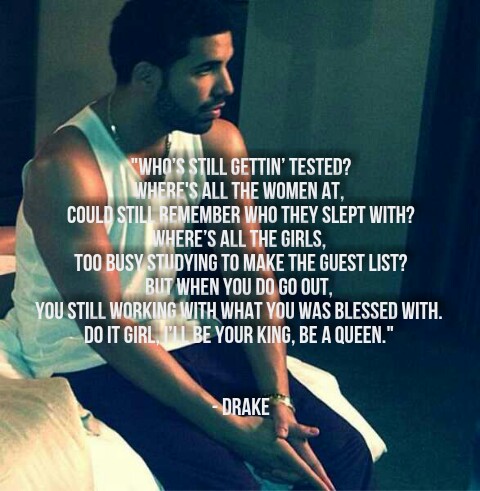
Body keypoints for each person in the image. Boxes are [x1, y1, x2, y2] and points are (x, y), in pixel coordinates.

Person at [8, 0, 375, 488]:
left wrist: (279, 400)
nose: (227, 86)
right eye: (205, 69)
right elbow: (107, 327)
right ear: (147, 76)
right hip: (85, 356)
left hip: (180, 332)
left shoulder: (218, 143)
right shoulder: (67, 168)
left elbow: (251, 275)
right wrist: (233, 430)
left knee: (345, 454)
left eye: (226, 65)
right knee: (228, 483)